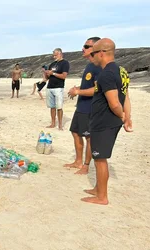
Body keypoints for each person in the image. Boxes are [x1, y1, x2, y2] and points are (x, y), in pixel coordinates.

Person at [81, 38, 132, 205]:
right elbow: (126, 96)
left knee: (100, 159)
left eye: (93, 53)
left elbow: (115, 102)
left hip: (105, 122)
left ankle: (102, 197)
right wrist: (127, 117)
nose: (91, 56)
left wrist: (123, 116)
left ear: (101, 53)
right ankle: (97, 189)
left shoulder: (106, 74)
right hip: (107, 121)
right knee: (100, 159)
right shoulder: (119, 70)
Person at [64, 37, 102, 175]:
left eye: (86, 46)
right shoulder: (89, 65)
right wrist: (77, 90)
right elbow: (89, 85)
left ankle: (86, 166)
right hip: (81, 106)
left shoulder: (98, 66)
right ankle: (78, 161)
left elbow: (98, 89)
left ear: (95, 48)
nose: (83, 48)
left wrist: (78, 91)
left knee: (88, 137)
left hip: (90, 108)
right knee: (75, 132)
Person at [45, 48, 70, 130]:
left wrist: (53, 73)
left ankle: (60, 125)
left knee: (59, 107)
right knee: (52, 107)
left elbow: (64, 76)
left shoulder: (65, 63)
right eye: (53, 55)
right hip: (50, 87)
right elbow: (47, 78)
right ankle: (52, 123)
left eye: (55, 55)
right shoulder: (52, 64)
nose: (54, 57)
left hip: (58, 87)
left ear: (60, 54)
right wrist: (47, 73)